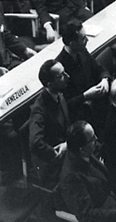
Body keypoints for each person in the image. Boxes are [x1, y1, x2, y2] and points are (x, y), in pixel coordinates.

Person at [54, 122, 116, 222]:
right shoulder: (71, 178)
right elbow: (86, 214)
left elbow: (109, 167)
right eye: (92, 138)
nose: (96, 139)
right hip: (106, 217)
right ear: (82, 150)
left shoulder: (88, 150)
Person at [29, 59, 75, 187]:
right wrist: (56, 153)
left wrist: (68, 144)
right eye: (61, 76)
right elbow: (35, 142)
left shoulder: (59, 95)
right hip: (53, 164)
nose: (67, 76)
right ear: (50, 84)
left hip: (67, 149)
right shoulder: (39, 110)